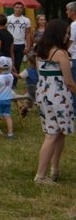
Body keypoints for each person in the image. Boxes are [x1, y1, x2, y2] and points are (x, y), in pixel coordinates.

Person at [33, 18, 76, 184]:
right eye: (66, 33)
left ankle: (55, 169)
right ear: (58, 33)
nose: (67, 36)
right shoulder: (60, 53)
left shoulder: (40, 51)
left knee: (58, 133)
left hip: (43, 93)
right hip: (59, 96)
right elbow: (69, 81)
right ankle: (41, 175)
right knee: (52, 135)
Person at [6, 2, 32, 74]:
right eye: (17, 7)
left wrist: (28, 46)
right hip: (9, 43)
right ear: (13, 8)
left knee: (17, 64)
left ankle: (15, 79)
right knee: (9, 63)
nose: (19, 9)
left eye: (21, 8)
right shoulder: (8, 18)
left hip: (20, 44)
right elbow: (4, 32)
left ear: (23, 9)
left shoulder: (26, 20)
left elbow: (28, 34)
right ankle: (8, 78)